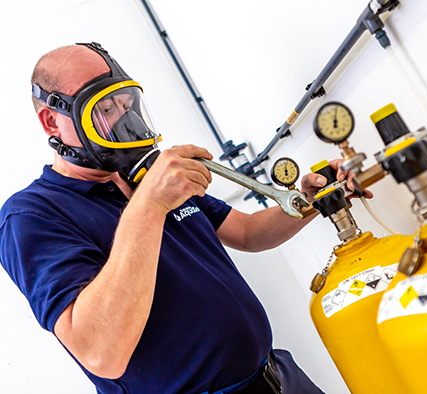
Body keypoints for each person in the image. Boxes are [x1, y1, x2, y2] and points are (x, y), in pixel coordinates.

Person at [0, 42, 360, 394]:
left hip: (277, 376)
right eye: (105, 109)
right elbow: (99, 352)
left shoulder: (151, 178)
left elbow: (247, 232)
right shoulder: (32, 216)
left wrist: (310, 202)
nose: (125, 121)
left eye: (127, 105)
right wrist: (149, 204)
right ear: (52, 121)